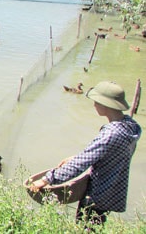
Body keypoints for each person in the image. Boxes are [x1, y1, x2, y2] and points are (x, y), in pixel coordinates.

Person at [30, 81, 142, 227]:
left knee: (86, 227)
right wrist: (77, 156)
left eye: (96, 101)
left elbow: (78, 165)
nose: (94, 105)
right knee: (96, 225)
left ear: (106, 104)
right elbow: (108, 153)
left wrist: (46, 179)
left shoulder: (110, 134)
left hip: (97, 194)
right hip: (113, 190)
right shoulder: (130, 127)